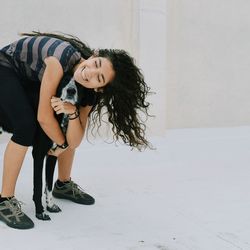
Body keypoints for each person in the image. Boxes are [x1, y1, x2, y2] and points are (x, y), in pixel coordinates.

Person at [0, 31, 151, 229]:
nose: (90, 73)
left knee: (65, 127)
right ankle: (4, 200)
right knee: (26, 127)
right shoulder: (58, 62)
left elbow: (76, 138)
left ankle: (62, 184)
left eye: (99, 78)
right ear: (94, 55)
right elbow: (44, 118)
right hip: (6, 66)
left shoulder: (90, 93)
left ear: (101, 88)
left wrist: (72, 116)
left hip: (29, 75)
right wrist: (61, 143)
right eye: (96, 65)